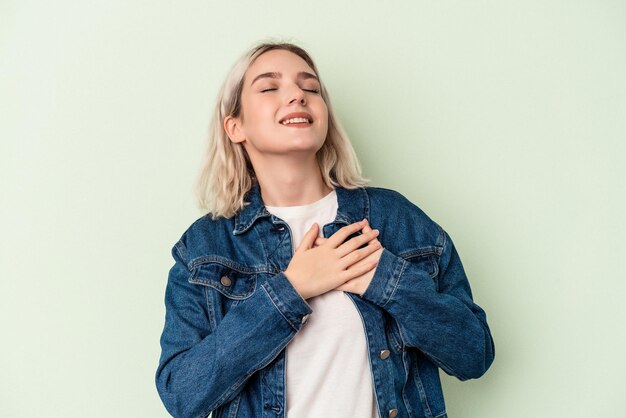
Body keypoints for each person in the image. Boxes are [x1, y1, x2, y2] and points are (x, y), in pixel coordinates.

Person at [155, 41, 495, 418]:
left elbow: (473, 354)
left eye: (310, 88)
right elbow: (182, 394)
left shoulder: (393, 219)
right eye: (270, 87)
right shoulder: (205, 247)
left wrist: (386, 281)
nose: (297, 96)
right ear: (235, 126)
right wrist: (291, 291)